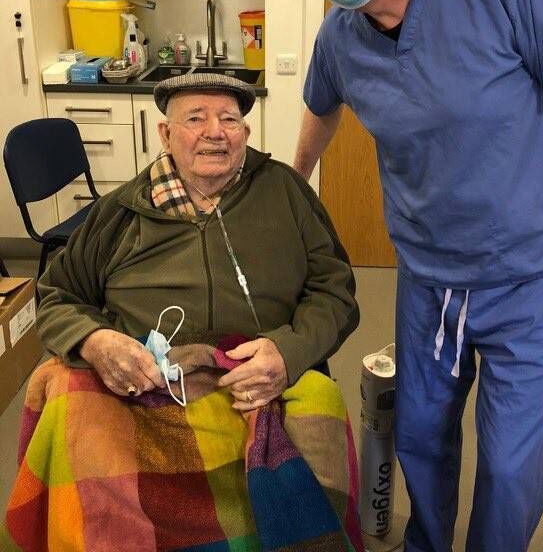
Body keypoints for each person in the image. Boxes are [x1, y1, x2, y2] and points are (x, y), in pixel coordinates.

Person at [287, 0, 543, 552]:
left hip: (530, 272)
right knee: (422, 437)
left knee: (512, 462)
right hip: (431, 277)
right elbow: (320, 110)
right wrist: (289, 187)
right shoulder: (340, 37)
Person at [5, 72, 362, 551]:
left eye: (229, 119)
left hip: (260, 377)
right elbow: (57, 295)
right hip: (144, 387)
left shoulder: (286, 193)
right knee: (70, 414)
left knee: (322, 411)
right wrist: (97, 341)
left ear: (246, 134)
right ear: (165, 134)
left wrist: (289, 351)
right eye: (195, 118)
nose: (215, 131)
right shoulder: (120, 211)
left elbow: (334, 290)